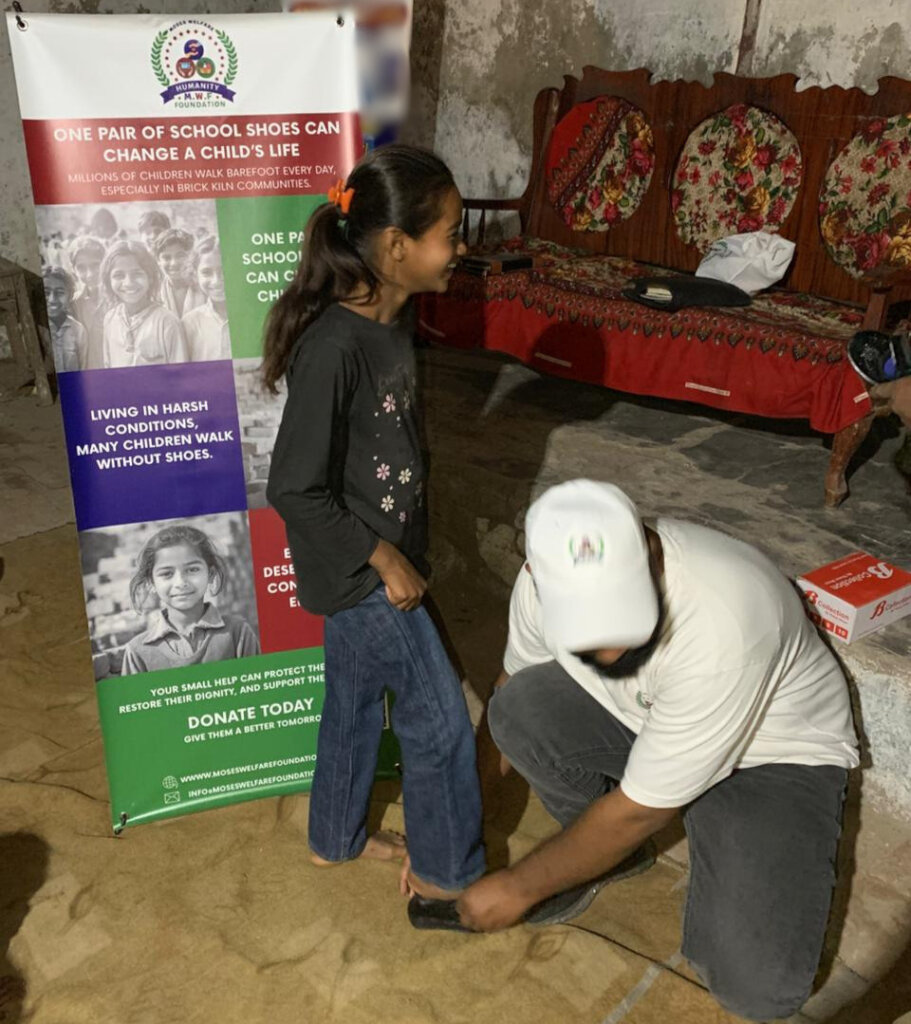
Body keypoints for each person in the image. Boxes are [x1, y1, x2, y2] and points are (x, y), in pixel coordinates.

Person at [458, 479, 859, 1021]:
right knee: (518, 708)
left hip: (767, 758)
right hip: (650, 721)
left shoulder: (725, 614)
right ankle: (611, 850)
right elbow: (509, 683)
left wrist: (518, 885)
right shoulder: (539, 584)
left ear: (651, 553)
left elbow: (638, 812)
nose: (608, 650)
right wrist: (457, 823)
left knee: (754, 987)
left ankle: (656, 824)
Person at [264, 144, 484, 928]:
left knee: (354, 702)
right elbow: (292, 487)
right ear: (396, 247)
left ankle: (334, 838)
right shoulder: (333, 347)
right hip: (361, 573)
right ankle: (445, 878)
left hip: (381, 557)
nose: (461, 248)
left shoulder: (394, 319)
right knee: (440, 722)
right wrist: (385, 556)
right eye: (450, 234)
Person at [121, 524, 259, 675]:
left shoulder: (237, 633)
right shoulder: (138, 652)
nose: (181, 583)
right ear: (151, 583)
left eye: (192, 570)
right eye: (167, 574)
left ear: (210, 574)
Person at [100, 241, 188, 367]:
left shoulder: (167, 322)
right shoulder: (110, 319)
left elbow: (181, 372)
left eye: (137, 274)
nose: (128, 283)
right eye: (119, 275)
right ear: (108, 280)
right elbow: (108, 366)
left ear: (150, 277)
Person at [182, 236, 231, 362]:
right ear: (195, 275)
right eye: (206, 272)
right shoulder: (189, 323)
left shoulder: (254, 315)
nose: (216, 281)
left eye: (225, 270)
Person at [68, 236, 107, 369]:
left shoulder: (119, 298)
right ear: (73, 270)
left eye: (95, 265)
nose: (89, 274)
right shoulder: (74, 304)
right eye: (81, 268)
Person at [153, 228, 206, 317]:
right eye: (166, 258)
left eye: (180, 256)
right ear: (158, 260)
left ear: (191, 256)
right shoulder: (154, 294)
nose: (173, 263)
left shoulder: (204, 288)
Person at [43, 267, 87, 372]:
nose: (52, 300)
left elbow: (83, 368)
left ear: (70, 296)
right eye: (46, 293)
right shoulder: (35, 329)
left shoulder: (78, 330)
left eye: (60, 293)